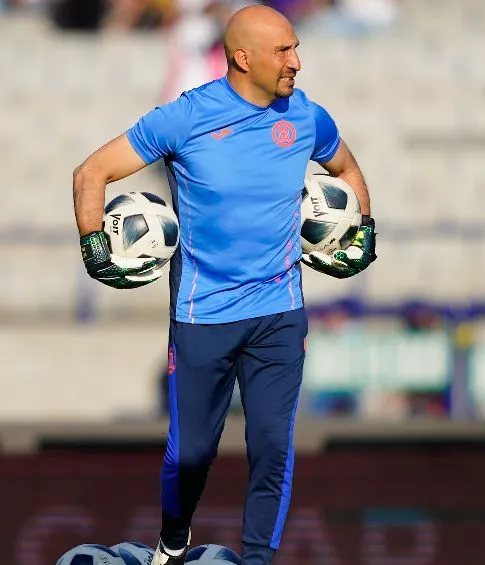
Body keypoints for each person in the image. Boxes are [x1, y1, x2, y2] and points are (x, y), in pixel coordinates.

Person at [71, 5, 377, 564]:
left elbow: (349, 171)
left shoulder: (307, 117)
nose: (297, 62)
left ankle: (257, 561)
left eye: (295, 48)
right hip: (201, 314)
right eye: (284, 51)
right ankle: (170, 547)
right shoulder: (186, 117)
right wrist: (95, 247)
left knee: (272, 450)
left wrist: (364, 232)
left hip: (279, 312)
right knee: (190, 456)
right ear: (243, 58)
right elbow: (92, 172)